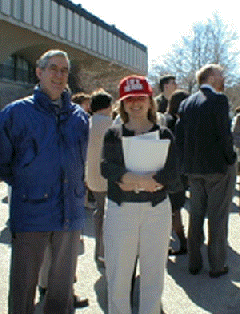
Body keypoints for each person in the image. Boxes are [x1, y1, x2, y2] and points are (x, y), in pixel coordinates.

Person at [0, 49, 89, 313]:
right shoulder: (16, 113)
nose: (59, 75)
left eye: (64, 70)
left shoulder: (79, 117)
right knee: (23, 287)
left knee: (61, 290)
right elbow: (3, 161)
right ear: (39, 72)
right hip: (31, 212)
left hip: (69, 213)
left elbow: (81, 161)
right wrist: (29, 182)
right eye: (53, 68)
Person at [101, 75, 181, 314]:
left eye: (140, 98)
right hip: (121, 210)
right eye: (129, 99)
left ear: (149, 101)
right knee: (118, 277)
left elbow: (173, 171)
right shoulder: (113, 134)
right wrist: (133, 179)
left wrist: (148, 182)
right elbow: (106, 167)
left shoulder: (165, 134)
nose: (135, 103)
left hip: (156, 210)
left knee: (153, 276)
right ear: (122, 104)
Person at [175, 64, 236, 278]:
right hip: (217, 168)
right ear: (210, 77)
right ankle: (217, 265)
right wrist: (231, 158)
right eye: (220, 74)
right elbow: (224, 134)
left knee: (196, 215)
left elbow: (179, 137)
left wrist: (185, 165)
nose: (223, 77)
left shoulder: (186, 103)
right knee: (218, 217)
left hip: (193, 169)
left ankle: (194, 262)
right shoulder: (219, 100)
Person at [86, 88, 113, 266]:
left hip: (91, 176)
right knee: (107, 216)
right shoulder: (111, 124)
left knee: (99, 212)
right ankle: (104, 254)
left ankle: (98, 252)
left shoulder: (86, 122)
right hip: (108, 177)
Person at [164, 89, 190, 255]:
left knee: (171, 209)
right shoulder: (179, 122)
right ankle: (183, 242)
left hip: (168, 169)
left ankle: (181, 242)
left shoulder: (166, 120)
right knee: (175, 210)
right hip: (178, 171)